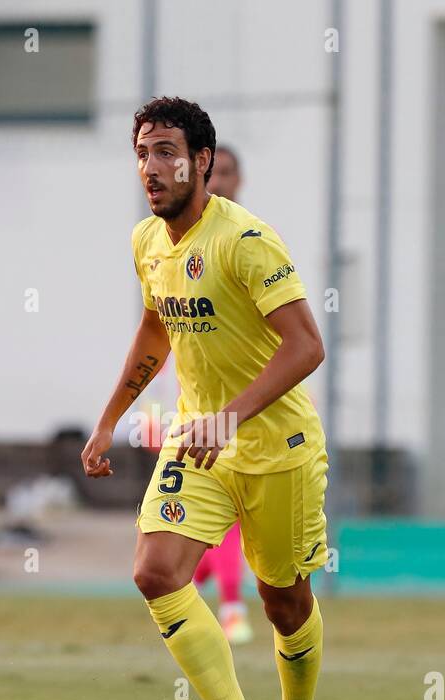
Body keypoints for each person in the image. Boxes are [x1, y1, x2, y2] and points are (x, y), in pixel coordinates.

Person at [81, 97, 328, 700]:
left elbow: (307, 345)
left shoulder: (247, 241)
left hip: (280, 448)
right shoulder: (146, 243)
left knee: (283, 602)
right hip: (199, 444)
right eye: (141, 154)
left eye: (165, 152)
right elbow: (156, 332)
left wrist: (233, 414)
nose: (150, 169)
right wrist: (108, 420)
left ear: (203, 162)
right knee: (156, 571)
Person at [189, 144, 251, 645]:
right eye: (215, 172)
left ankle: (218, 598)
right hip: (193, 408)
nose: (221, 180)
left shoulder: (250, 240)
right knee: (214, 514)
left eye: (229, 172)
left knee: (225, 515)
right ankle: (226, 606)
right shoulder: (174, 241)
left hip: (249, 409)